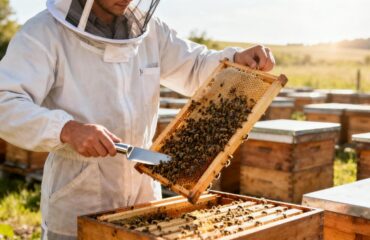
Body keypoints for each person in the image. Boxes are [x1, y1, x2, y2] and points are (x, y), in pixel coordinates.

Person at [0, 0, 275, 239]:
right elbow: (5, 102)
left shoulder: (150, 30)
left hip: (143, 193)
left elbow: (195, 66)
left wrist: (236, 58)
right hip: (78, 197)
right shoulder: (44, 33)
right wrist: (66, 129)